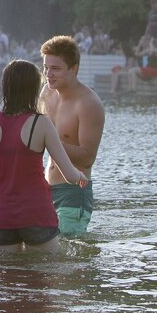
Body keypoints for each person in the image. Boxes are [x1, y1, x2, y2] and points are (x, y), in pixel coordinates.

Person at [0, 60, 88, 252]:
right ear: (33, 89)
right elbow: (70, 176)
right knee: (43, 276)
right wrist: (80, 176)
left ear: (4, 87)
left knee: (3, 279)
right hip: (37, 215)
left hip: (0, 217)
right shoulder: (42, 123)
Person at [38, 35, 104, 236]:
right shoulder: (46, 93)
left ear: (73, 69)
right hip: (45, 189)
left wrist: (49, 140)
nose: (48, 74)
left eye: (55, 69)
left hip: (74, 193)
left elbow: (87, 157)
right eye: (46, 67)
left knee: (66, 261)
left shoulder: (88, 104)